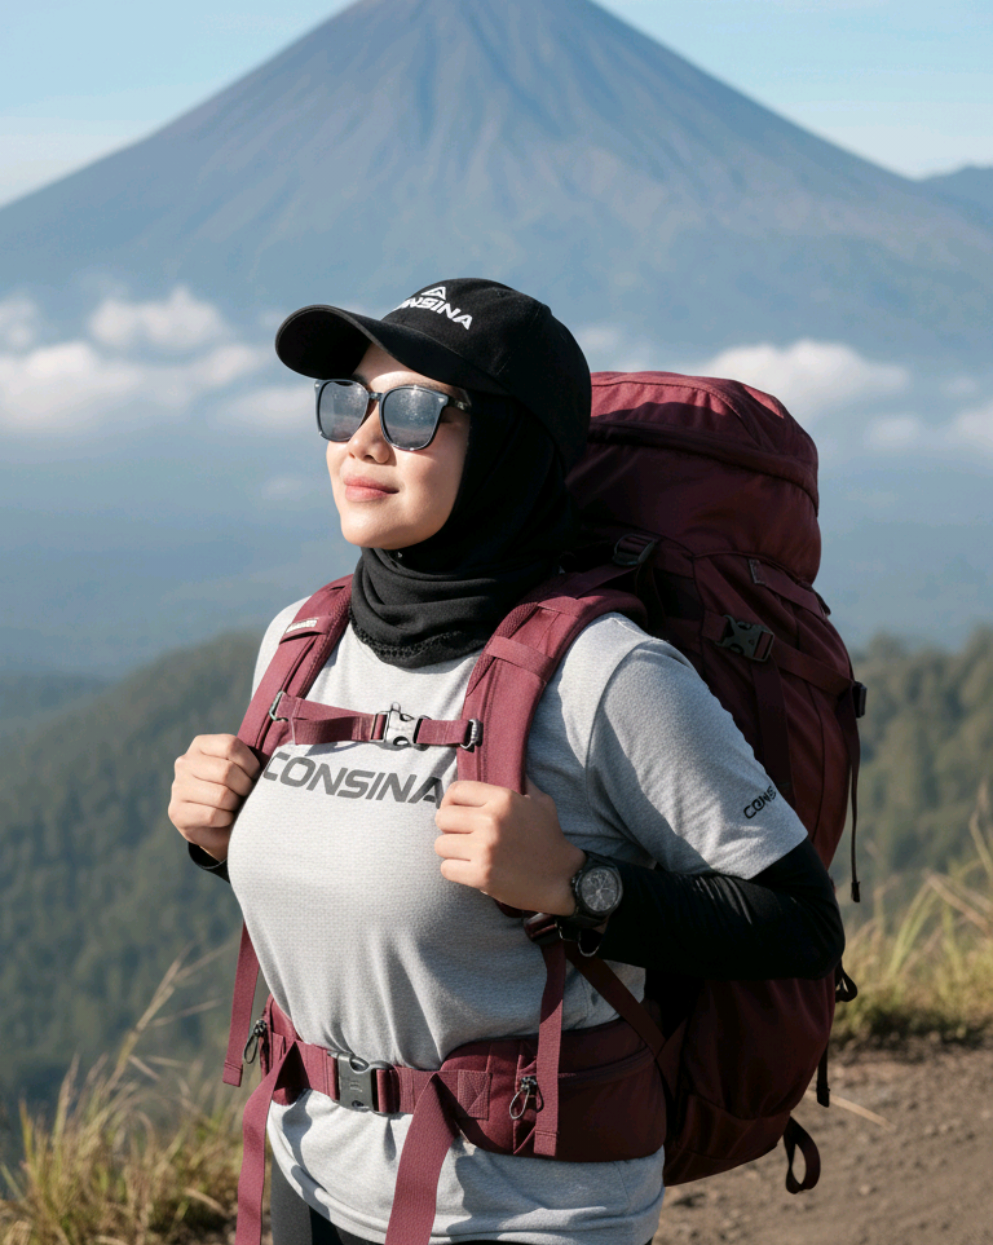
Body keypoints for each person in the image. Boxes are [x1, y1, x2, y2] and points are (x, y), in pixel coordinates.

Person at [168, 279, 844, 1245]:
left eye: (413, 410)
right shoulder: (300, 645)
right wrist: (217, 838)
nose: (363, 441)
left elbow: (799, 926)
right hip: (309, 1169)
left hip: (525, 1211)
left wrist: (578, 886)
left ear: (509, 446)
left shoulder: (606, 674)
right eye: (348, 402)